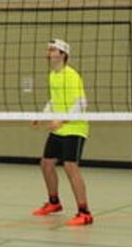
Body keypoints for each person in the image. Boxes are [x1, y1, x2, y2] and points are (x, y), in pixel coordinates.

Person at [31, 39, 92, 226]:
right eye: (48, 49)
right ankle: (54, 202)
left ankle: (84, 212)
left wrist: (62, 120)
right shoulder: (53, 75)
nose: (48, 52)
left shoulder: (71, 75)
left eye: (52, 49)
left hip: (75, 127)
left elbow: (81, 103)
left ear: (63, 54)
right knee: (46, 164)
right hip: (60, 127)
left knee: (70, 167)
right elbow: (54, 100)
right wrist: (42, 116)